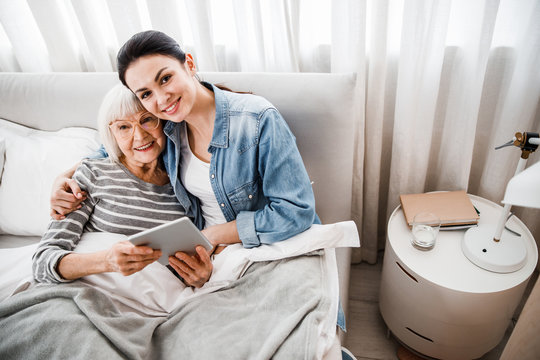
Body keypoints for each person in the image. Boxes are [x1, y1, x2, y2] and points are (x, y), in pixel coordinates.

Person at [51, 30, 319, 252]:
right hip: (211, 258)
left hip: (267, 246)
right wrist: (63, 178)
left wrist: (213, 235)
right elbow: (114, 148)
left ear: (189, 64)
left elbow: (295, 211)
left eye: (165, 78)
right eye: (145, 94)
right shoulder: (164, 125)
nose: (161, 99)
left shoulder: (257, 119)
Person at [35, 84, 213, 288]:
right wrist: (106, 261)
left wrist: (201, 276)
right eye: (124, 127)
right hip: (85, 293)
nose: (139, 136)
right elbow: (43, 262)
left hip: (156, 304)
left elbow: (189, 266)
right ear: (111, 133)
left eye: (147, 120)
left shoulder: (184, 188)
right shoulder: (92, 174)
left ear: (163, 121)